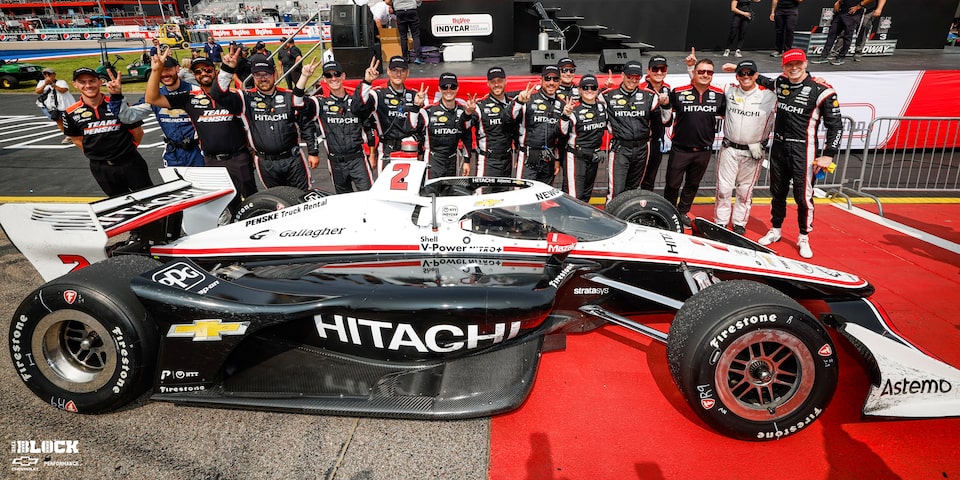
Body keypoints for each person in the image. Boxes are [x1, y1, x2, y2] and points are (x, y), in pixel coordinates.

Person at [145, 53, 258, 216]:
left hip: (239, 158)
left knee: (252, 201)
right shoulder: (189, 98)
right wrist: (156, 71)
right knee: (226, 205)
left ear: (215, 71)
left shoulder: (235, 95)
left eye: (207, 70)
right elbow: (152, 98)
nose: (203, 73)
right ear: (194, 76)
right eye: (198, 72)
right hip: (212, 161)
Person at [756, 48, 842, 259]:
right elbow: (764, 81)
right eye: (789, 65)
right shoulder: (780, 82)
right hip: (779, 147)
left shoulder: (822, 90)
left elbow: (836, 126)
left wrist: (828, 154)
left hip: (804, 149)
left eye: (798, 64)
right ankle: (776, 229)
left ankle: (804, 236)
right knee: (777, 192)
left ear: (805, 63)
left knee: (803, 197)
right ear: (783, 67)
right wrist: (740, 70)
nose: (794, 68)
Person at [211, 49, 320, 191]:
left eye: (267, 74)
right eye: (258, 75)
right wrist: (227, 69)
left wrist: (313, 152)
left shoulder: (289, 96)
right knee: (276, 200)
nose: (263, 78)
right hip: (265, 163)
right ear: (253, 77)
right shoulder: (245, 98)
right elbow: (218, 95)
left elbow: (306, 124)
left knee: (303, 197)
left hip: (293, 160)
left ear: (275, 74)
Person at [62, 67, 153, 197]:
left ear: (100, 82)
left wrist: (126, 151)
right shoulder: (70, 113)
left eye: (92, 81)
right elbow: (77, 139)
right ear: (75, 84)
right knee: (119, 204)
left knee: (149, 199)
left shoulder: (117, 103)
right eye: (82, 82)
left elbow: (138, 132)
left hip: (131, 163)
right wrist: (98, 155)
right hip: (101, 168)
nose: (88, 85)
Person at [713, 59, 776, 235]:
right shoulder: (729, 89)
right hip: (729, 148)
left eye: (750, 73)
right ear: (737, 76)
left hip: (753, 151)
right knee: (724, 189)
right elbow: (702, 82)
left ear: (756, 75)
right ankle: (721, 222)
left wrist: (816, 80)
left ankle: (739, 223)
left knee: (744, 191)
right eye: (742, 73)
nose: (746, 76)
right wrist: (690, 68)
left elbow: (789, 85)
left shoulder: (770, 96)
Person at [663, 53, 726, 229]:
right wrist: (665, 105)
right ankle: (668, 212)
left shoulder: (719, 94)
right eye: (702, 71)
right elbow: (666, 116)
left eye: (709, 72)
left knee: (692, 184)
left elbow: (727, 115)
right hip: (680, 149)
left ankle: (682, 212)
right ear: (695, 72)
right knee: (672, 184)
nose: (705, 75)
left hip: (704, 150)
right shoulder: (678, 92)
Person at [108, 55, 204, 168]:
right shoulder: (153, 97)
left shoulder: (198, 92)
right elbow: (128, 117)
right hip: (173, 154)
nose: (164, 74)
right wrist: (116, 96)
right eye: (160, 70)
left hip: (198, 153)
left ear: (177, 69)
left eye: (168, 69)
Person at [301, 59, 376, 193]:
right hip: (335, 162)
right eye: (329, 75)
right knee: (343, 202)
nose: (333, 78)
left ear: (343, 76)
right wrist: (304, 77)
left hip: (358, 159)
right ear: (324, 79)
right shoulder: (320, 103)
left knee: (369, 197)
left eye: (337, 74)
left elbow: (369, 126)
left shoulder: (356, 102)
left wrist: (372, 154)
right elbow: (297, 103)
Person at [601, 60, 665, 203]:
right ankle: (611, 222)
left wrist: (666, 105)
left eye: (636, 77)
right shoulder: (607, 95)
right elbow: (589, 103)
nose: (633, 80)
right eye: (630, 76)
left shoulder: (649, 96)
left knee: (634, 190)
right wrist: (601, 89)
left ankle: (630, 220)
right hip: (620, 149)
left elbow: (664, 122)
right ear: (623, 75)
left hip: (642, 148)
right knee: (616, 191)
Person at [357, 55, 421, 171]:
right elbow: (358, 109)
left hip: (409, 148)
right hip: (387, 148)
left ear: (408, 73)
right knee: (385, 188)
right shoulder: (378, 94)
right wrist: (367, 82)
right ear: (388, 72)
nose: (398, 74)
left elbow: (420, 127)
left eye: (402, 71)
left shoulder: (415, 95)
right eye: (394, 70)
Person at [511, 65, 572, 185]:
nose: (551, 83)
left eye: (555, 79)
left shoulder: (562, 104)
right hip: (528, 157)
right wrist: (518, 101)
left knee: (544, 199)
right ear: (541, 80)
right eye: (548, 79)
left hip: (548, 158)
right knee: (523, 196)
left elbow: (562, 136)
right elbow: (508, 119)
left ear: (559, 82)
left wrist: (557, 159)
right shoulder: (528, 98)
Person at [409, 72, 477, 179]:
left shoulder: (464, 111)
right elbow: (411, 128)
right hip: (432, 160)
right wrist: (416, 106)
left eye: (452, 87)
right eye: (445, 87)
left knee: (450, 194)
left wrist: (467, 161)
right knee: (430, 193)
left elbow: (467, 137)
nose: (448, 91)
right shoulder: (428, 111)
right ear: (439, 89)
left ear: (457, 88)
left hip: (452, 161)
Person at [560, 74, 607, 202]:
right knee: (574, 196)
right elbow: (562, 132)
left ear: (597, 90)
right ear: (579, 90)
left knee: (586, 196)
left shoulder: (603, 107)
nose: (589, 90)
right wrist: (565, 116)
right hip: (576, 157)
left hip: (593, 157)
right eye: (585, 87)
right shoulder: (573, 109)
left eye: (593, 87)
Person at [474, 66, 518, 178]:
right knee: (483, 196)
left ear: (506, 81)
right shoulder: (479, 105)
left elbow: (518, 131)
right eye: (493, 82)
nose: (497, 84)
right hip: (487, 161)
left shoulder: (513, 104)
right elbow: (463, 130)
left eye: (500, 81)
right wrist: (467, 114)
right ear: (488, 83)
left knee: (504, 195)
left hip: (507, 161)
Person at [639, 55, 671, 191]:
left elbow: (668, 120)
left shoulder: (667, 89)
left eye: (662, 69)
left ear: (666, 70)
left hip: (657, 141)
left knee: (649, 180)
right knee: (636, 179)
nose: (659, 72)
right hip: (641, 142)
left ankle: (645, 209)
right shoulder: (640, 88)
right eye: (655, 69)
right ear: (649, 71)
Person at [813, 0, 865, 65]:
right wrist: (838, 1)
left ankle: (841, 57)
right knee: (832, 33)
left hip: (853, 13)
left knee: (847, 36)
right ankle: (823, 56)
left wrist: (859, 6)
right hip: (841, 10)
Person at [35, 67, 75, 141]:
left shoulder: (61, 82)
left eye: (49, 74)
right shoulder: (41, 82)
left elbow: (63, 90)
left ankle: (75, 134)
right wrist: (45, 85)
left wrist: (53, 85)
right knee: (58, 121)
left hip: (64, 105)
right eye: (45, 74)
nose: (47, 75)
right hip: (52, 106)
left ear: (54, 74)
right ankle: (68, 135)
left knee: (70, 120)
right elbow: (38, 91)